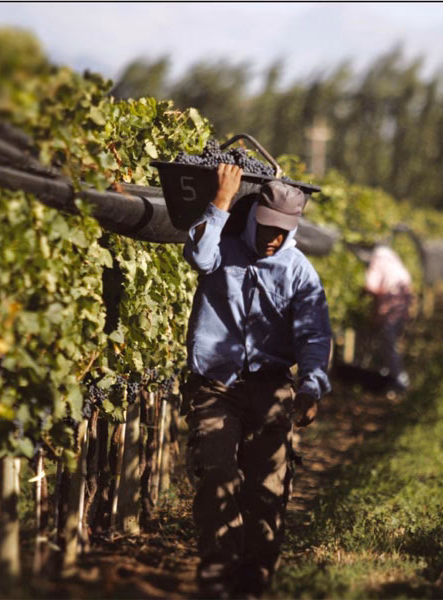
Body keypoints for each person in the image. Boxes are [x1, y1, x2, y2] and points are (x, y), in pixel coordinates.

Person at [181, 163, 333, 598]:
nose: (273, 239)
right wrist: (221, 201)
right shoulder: (222, 248)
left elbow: (314, 333)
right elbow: (197, 256)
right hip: (216, 385)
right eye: (266, 228)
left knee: (267, 488)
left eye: (282, 232)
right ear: (252, 219)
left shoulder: (299, 271)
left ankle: (254, 580)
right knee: (218, 475)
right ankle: (217, 576)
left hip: (270, 386)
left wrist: (310, 385)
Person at [362, 244, 413, 392]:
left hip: (390, 308)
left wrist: (363, 295)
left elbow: (371, 286)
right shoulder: (395, 262)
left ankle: (400, 380)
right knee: (391, 343)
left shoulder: (378, 260)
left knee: (388, 345)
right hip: (402, 309)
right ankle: (391, 377)